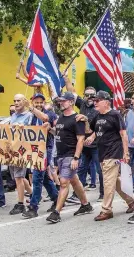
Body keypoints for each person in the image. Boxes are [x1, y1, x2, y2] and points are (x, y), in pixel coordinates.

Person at [83, 91, 134, 221]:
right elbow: (93, 130)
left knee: (107, 182)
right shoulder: (98, 116)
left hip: (113, 152)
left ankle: (106, 210)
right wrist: (86, 124)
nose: (95, 103)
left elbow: (123, 135)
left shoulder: (115, 115)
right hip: (102, 152)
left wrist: (126, 152)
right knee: (114, 182)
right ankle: (132, 200)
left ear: (106, 102)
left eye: (97, 100)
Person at [47, 92, 93, 223]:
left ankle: (56, 212)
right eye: (60, 101)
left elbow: (80, 139)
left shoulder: (77, 119)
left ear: (71, 102)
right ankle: (85, 205)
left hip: (70, 155)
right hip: (61, 155)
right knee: (74, 181)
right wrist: (50, 129)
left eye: (64, 101)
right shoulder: (61, 117)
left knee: (64, 183)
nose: (61, 103)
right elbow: (60, 133)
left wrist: (76, 158)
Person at [63, 75, 104, 203]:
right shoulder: (82, 104)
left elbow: (102, 127)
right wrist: (66, 79)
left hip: (97, 145)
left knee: (100, 170)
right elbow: (72, 92)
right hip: (84, 145)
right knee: (80, 169)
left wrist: (92, 137)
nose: (90, 97)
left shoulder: (98, 108)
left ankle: (103, 193)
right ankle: (76, 194)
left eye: (92, 95)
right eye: (87, 95)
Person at [22, 94, 60, 218]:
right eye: (36, 102)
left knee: (37, 177)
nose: (38, 104)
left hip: (46, 148)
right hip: (33, 149)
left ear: (44, 103)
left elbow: (44, 118)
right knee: (44, 179)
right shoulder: (30, 117)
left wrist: (32, 108)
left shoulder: (50, 114)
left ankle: (33, 207)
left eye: (40, 102)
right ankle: (57, 200)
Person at [8, 94, 35, 215]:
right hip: (12, 150)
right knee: (18, 177)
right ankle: (33, 195)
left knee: (18, 177)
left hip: (22, 150)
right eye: (14, 101)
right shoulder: (13, 116)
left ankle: (20, 204)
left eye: (18, 100)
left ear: (24, 102)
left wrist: (23, 128)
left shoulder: (29, 115)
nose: (16, 103)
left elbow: (33, 130)